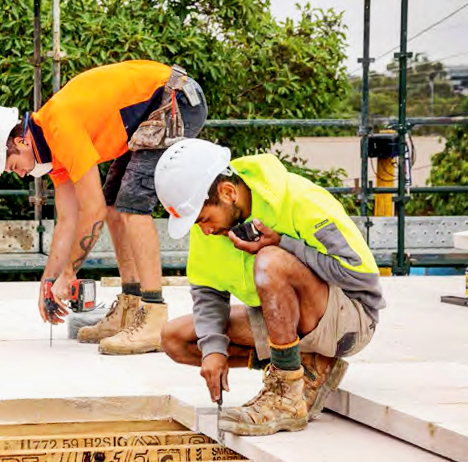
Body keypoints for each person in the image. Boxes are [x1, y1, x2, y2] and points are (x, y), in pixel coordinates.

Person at [0, 60, 207, 355]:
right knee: (114, 205)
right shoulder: (50, 153)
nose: (17, 173)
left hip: (175, 99)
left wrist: (69, 274)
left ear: (21, 140)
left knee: (132, 203)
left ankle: (154, 315)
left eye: (12, 164)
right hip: (153, 111)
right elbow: (69, 218)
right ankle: (130, 308)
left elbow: (89, 211)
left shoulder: (60, 127)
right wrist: (50, 280)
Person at [153, 138, 385, 435]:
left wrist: (284, 244)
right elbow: (208, 292)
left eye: (204, 219)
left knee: (270, 261)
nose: (206, 230)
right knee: (175, 338)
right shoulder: (211, 228)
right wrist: (213, 350)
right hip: (287, 322)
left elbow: (360, 278)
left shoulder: (299, 200)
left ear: (227, 192)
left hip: (348, 320)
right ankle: (307, 366)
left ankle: (286, 394)